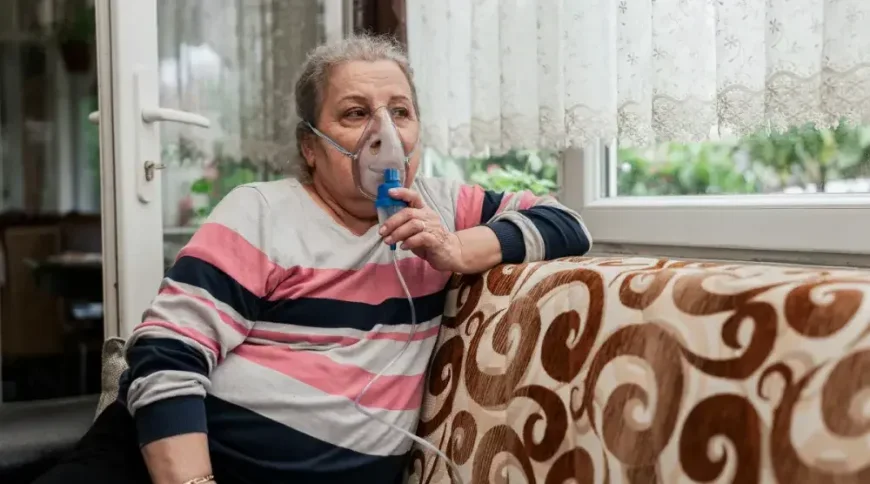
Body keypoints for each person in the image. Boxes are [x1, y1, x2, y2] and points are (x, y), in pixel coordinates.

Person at [36, 34, 592, 484]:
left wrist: (453, 249)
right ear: (310, 146)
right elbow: (166, 357)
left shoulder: (443, 207)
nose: (384, 133)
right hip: (167, 460)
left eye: (400, 111)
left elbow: (567, 223)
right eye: (356, 114)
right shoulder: (260, 212)